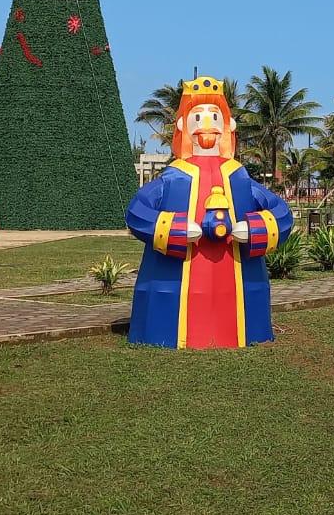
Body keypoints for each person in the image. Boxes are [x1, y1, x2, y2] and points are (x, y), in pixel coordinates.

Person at [124, 75, 293, 349]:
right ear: (182, 125)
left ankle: (242, 332)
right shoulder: (173, 176)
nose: (206, 124)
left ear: (227, 125)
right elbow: (137, 211)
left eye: (214, 116)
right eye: (197, 116)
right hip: (173, 280)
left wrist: (256, 229)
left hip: (238, 279)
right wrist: (171, 229)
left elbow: (281, 213)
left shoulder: (239, 176)